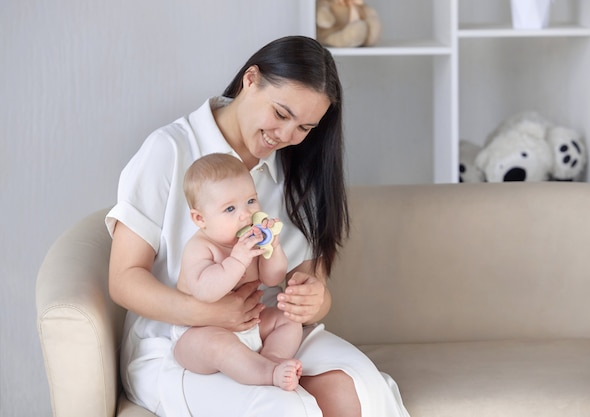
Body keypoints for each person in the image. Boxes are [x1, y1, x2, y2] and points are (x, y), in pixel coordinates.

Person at [107, 35, 410, 417]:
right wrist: (212, 314)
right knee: (282, 408)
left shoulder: (297, 167)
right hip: (180, 340)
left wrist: (315, 299)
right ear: (250, 80)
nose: (286, 136)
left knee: (358, 391)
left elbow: (307, 281)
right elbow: (123, 279)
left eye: (305, 127)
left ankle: (269, 369)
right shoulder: (170, 150)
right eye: (281, 114)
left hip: (264, 329)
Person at [173, 153, 302, 391]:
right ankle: (267, 372)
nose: (246, 214)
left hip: (250, 323)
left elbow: (272, 278)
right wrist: (237, 260)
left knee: (288, 321)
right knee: (218, 346)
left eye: (251, 201)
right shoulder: (200, 248)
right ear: (200, 218)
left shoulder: (249, 241)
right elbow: (205, 292)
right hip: (201, 331)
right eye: (230, 208)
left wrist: (273, 248)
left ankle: (272, 357)